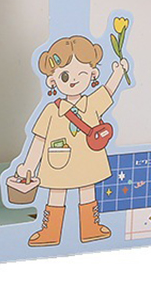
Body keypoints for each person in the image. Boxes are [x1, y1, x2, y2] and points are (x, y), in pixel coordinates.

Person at [16, 35, 129, 246]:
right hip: (57, 163)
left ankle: (91, 228)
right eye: (65, 76)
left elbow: (108, 90)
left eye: (81, 73)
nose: (74, 80)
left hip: (87, 161)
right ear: (52, 80)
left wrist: (118, 73)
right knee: (56, 193)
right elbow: (39, 140)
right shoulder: (51, 111)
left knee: (87, 190)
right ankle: (50, 232)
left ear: (93, 74)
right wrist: (28, 166)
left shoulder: (92, 104)